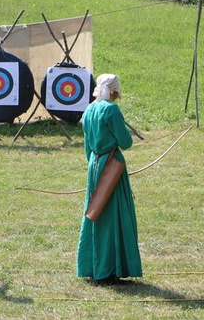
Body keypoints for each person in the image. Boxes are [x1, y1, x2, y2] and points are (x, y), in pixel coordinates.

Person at [77, 73, 142, 285]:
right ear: (114, 92)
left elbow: (88, 147)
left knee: (95, 212)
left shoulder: (89, 109)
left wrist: (95, 165)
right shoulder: (111, 110)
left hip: (94, 165)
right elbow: (125, 142)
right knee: (112, 216)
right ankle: (109, 270)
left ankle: (93, 267)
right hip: (111, 165)